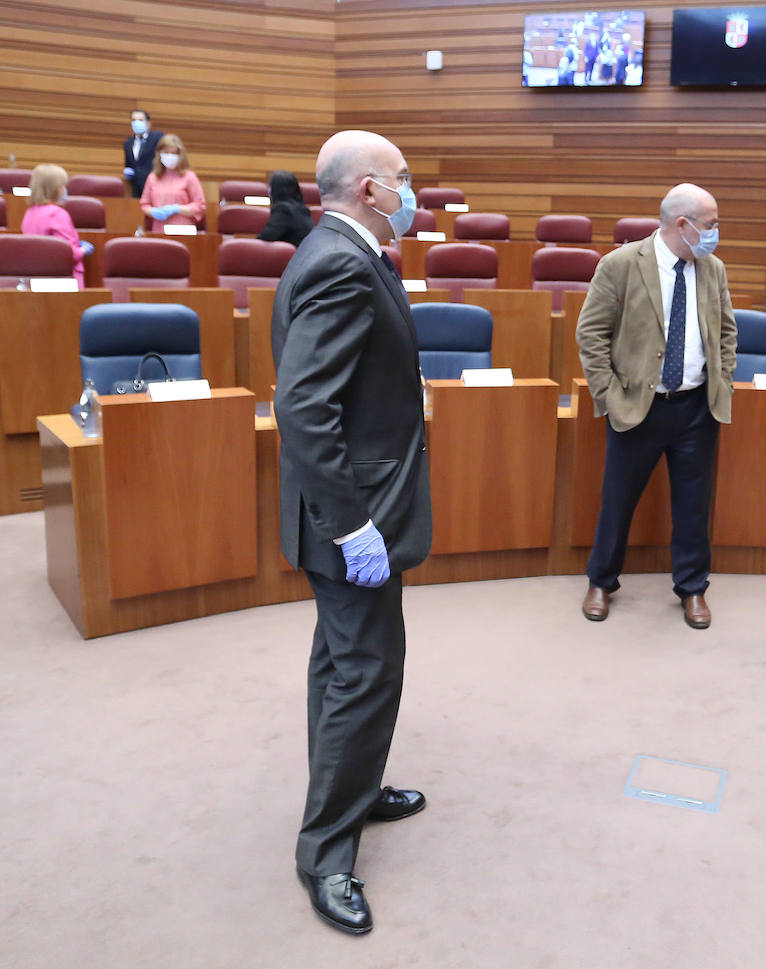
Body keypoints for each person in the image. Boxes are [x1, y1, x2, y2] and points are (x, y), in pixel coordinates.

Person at [271, 130, 432, 934]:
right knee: (365, 669)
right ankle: (326, 854)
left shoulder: (340, 249)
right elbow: (304, 409)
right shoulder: (340, 260)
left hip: (351, 508)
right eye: (404, 179)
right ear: (370, 188)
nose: (415, 190)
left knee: (343, 662)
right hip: (352, 516)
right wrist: (353, 526)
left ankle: (355, 790)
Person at [576, 183, 737, 630]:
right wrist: (608, 396)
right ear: (682, 225)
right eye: (711, 224)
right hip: (637, 405)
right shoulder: (621, 265)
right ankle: (601, 580)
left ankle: (693, 588)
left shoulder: (713, 269)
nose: (716, 233)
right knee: (618, 500)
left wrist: (721, 380)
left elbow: (726, 332)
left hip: (696, 408)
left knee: (693, 505)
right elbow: (591, 334)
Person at [20, 163, 91, 287]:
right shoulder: (57, 214)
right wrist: (83, 250)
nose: (65, 190)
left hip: (37, 279)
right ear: (55, 189)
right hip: (64, 281)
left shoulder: (29, 212)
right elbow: (67, 253)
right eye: (63, 186)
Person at [139, 134, 205, 230]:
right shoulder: (152, 178)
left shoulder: (189, 177)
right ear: (159, 154)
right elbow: (144, 205)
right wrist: (153, 211)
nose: (170, 156)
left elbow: (200, 205)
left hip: (183, 229)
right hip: (159, 229)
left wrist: (177, 209)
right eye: (166, 152)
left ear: (180, 155)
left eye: (174, 153)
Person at [257, 170, 314, 246]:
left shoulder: (284, 210)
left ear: (275, 190)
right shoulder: (303, 209)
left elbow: (266, 237)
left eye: (270, 187)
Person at [122, 109, 163, 198]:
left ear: (148, 123)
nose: (137, 123)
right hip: (136, 188)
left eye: (140, 120)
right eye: (134, 120)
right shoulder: (128, 143)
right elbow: (129, 165)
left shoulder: (157, 137)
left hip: (154, 186)